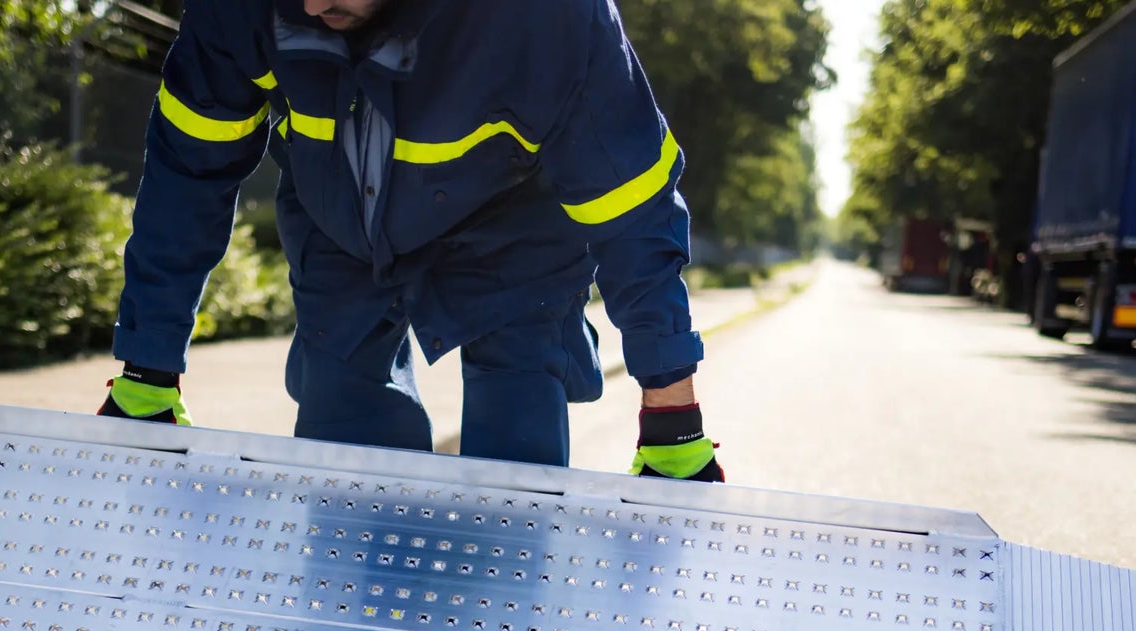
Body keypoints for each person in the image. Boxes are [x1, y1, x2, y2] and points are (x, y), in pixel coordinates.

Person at [97, 0, 723, 483]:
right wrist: (147, 367)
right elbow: (189, 174)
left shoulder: (547, 20)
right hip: (341, 217)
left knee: (516, 458)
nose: (312, 6)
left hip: (516, 231)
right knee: (348, 466)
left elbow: (633, 210)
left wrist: (671, 414)